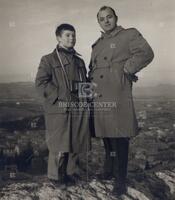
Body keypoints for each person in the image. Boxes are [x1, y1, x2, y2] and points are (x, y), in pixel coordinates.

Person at [88, 6, 154, 196]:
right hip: (99, 96)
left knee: (120, 139)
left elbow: (146, 53)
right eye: (101, 19)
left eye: (109, 17)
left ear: (116, 17)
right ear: (98, 22)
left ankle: (121, 181)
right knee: (107, 138)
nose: (106, 21)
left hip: (117, 95)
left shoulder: (128, 35)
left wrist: (127, 70)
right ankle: (108, 171)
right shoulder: (98, 43)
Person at [35, 23, 90, 186]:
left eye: (73, 35)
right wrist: (63, 94)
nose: (72, 38)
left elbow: (84, 84)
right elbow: (40, 84)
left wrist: (87, 99)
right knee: (59, 144)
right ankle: (55, 176)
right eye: (67, 35)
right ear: (58, 37)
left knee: (76, 142)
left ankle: (71, 173)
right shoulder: (48, 60)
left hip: (78, 108)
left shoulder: (79, 61)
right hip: (59, 108)